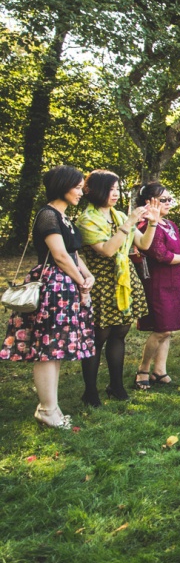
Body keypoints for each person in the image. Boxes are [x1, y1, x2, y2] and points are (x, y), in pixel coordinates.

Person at [1, 166, 96, 429]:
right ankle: (46, 408)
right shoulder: (47, 215)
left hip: (67, 287)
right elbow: (59, 255)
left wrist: (88, 278)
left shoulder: (65, 218)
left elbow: (75, 255)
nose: (81, 191)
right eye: (77, 187)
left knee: (55, 350)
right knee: (47, 349)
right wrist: (81, 282)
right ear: (61, 186)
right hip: (53, 287)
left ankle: (51, 407)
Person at [77, 170, 154, 405]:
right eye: (111, 189)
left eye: (117, 189)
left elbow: (143, 244)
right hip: (101, 281)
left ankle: (116, 386)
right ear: (96, 190)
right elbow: (108, 250)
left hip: (124, 280)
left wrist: (152, 222)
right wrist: (130, 222)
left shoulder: (119, 215)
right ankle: (90, 391)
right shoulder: (86, 220)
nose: (115, 194)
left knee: (120, 333)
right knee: (98, 336)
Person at [134, 184, 180, 391]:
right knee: (162, 329)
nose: (169, 203)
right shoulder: (145, 226)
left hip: (173, 281)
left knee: (169, 330)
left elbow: (179, 251)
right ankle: (143, 369)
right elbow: (161, 255)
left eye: (170, 199)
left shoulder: (170, 224)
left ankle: (159, 370)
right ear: (149, 202)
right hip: (157, 281)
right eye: (164, 200)